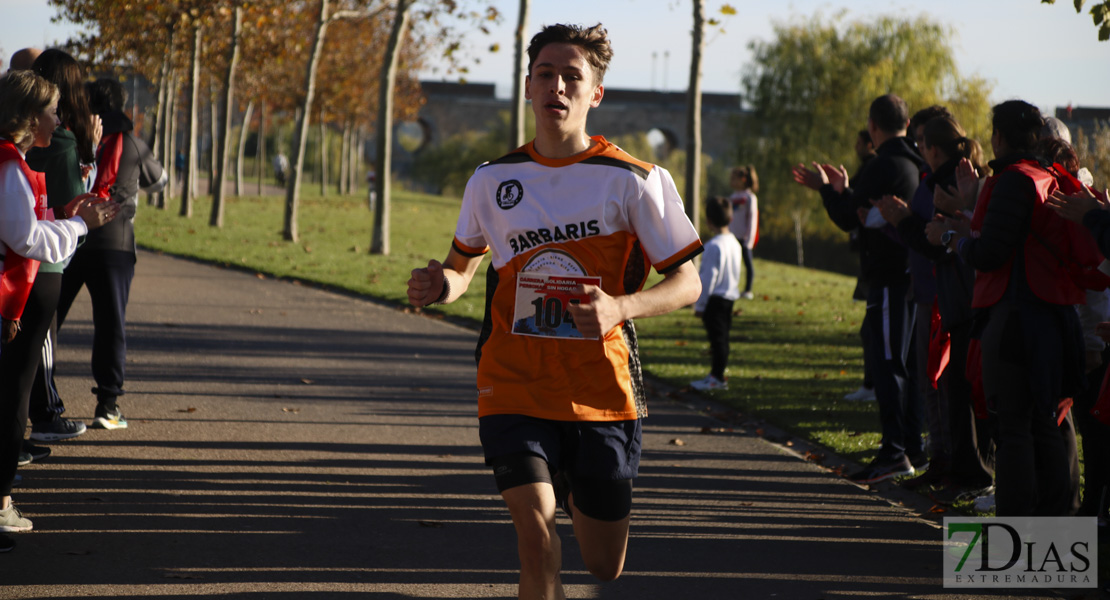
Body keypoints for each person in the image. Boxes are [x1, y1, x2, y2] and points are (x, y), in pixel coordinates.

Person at [407, 23, 701, 598]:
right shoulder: (493, 181)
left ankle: (571, 478)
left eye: (573, 77)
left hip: (600, 390)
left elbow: (688, 283)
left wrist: (620, 307)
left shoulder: (635, 180)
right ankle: (549, 482)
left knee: (602, 566)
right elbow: (463, 268)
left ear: (595, 94)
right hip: (514, 380)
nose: (557, 87)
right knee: (537, 538)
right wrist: (437, 285)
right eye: (546, 74)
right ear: (527, 86)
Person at [935, 100, 1088, 516]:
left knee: (1015, 429)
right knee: (1045, 426)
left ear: (999, 137)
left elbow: (990, 253)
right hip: (1052, 315)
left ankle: (1015, 534)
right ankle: (1057, 532)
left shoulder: (1014, 180)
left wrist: (952, 239)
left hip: (1017, 317)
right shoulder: (1047, 176)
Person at [0, 69, 119, 535]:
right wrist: (80, 226)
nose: (58, 118)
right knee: (12, 397)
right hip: (12, 299)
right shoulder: (9, 164)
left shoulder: (14, 162)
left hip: (18, 298)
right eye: (52, 111)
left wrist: (66, 217)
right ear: (31, 117)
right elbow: (25, 239)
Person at [792, 94, 928, 484]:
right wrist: (846, 190)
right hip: (911, 275)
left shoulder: (882, 164)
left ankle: (894, 452)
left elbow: (848, 218)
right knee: (905, 365)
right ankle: (912, 446)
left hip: (886, 277)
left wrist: (826, 190)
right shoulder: (915, 162)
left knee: (888, 366)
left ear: (873, 126)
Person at [28, 78, 167, 435]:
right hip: (115, 243)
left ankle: (40, 395)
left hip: (73, 236)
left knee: (49, 321)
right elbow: (159, 180)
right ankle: (108, 405)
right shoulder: (133, 144)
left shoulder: (73, 137)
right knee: (111, 324)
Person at [874, 115, 996, 505]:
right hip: (938, 291)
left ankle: (968, 468)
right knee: (937, 383)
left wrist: (906, 220)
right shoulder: (934, 178)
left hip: (954, 295)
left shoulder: (950, 178)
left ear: (934, 147)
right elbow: (926, 235)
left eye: (923, 141)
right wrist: (900, 223)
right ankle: (946, 459)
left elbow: (935, 238)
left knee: (952, 386)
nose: (919, 147)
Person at [22, 48, 103, 444]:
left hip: (23, 255)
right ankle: (45, 418)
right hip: (46, 258)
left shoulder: (22, 141)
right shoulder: (63, 140)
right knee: (38, 346)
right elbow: (77, 210)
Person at [691, 196, 742, 391]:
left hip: (715, 300)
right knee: (722, 338)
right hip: (729, 297)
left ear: (709, 221)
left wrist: (700, 305)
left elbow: (707, 278)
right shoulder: (735, 243)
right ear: (730, 219)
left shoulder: (713, 246)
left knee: (717, 340)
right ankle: (715, 375)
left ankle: (717, 378)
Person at [844, 129, 878, 403]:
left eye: (859, 142)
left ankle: (874, 385)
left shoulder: (875, 167)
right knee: (870, 328)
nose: (856, 147)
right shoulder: (871, 168)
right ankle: (872, 384)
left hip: (878, 264)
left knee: (872, 329)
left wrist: (838, 191)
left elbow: (850, 205)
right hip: (870, 260)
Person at [727, 165, 758, 299]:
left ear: (743, 179)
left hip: (744, 238)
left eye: (734, 179)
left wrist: (748, 240)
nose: (732, 181)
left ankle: (747, 290)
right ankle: (731, 288)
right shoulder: (732, 197)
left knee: (748, 264)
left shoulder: (750, 198)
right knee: (732, 264)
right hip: (732, 238)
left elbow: (752, 219)